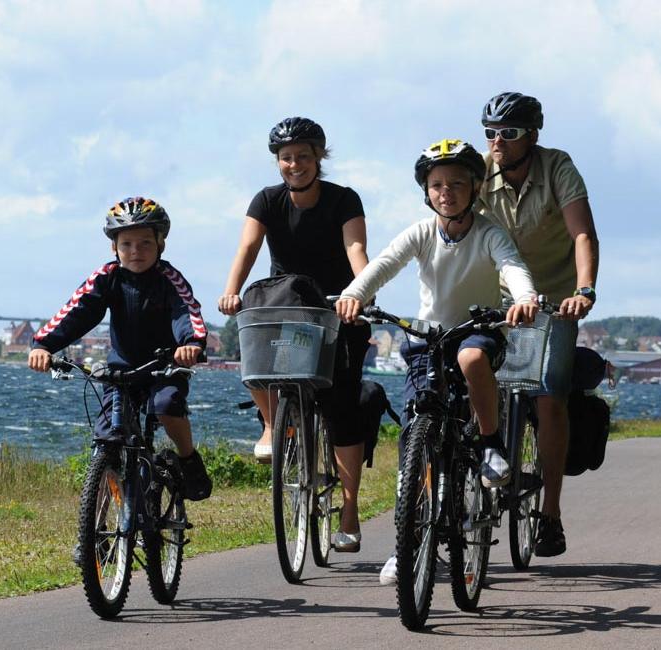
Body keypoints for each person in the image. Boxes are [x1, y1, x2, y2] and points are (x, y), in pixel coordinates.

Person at [334, 139, 538, 585]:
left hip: (479, 331)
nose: (446, 192)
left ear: (476, 187)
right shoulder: (422, 232)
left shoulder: (489, 233)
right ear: (426, 191)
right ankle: (406, 544)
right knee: (416, 434)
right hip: (429, 340)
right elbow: (384, 264)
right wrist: (354, 294)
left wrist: (524, 297)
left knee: (470, 357)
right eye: (437, 185)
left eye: (457, 184)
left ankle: (490, 446)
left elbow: (512, 266)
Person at [218, 117, 373, 552]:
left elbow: (355, 249)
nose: (294, 165)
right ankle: (272, 424)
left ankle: (349, 509)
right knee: (260, 360)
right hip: (286, 305)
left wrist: (361, 294)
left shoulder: (344, 199)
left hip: (338, 309)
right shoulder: (267, 200)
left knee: (342, 405)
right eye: (286, 158)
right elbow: (247, 248)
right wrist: (232, 292)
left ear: (319, 157)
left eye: (303, 156)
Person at [477, 92, 600, 558]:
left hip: (553, 302)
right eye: (490, 133)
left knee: (550, 399)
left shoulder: (557, 168)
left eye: (508, 133)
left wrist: (583, 291)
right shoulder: (479, 173)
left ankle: (550, 512)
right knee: (471, 384)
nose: (497, 142)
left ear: (532, 135)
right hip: (496, 301)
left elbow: (582, 234)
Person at [29, 197, 212, 501]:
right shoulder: (106, 277)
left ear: (160, 245)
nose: (135, 251)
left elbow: (186, 312)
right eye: (126, 244)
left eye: (144, 243)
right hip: (121, 370)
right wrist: (43, 345)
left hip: (164, 367)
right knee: (107, 439)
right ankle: (106, 519)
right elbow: (76, 312)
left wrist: (190, 343)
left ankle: (188, 457)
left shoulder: (169, 279)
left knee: (166, 406)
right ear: (114, 247)